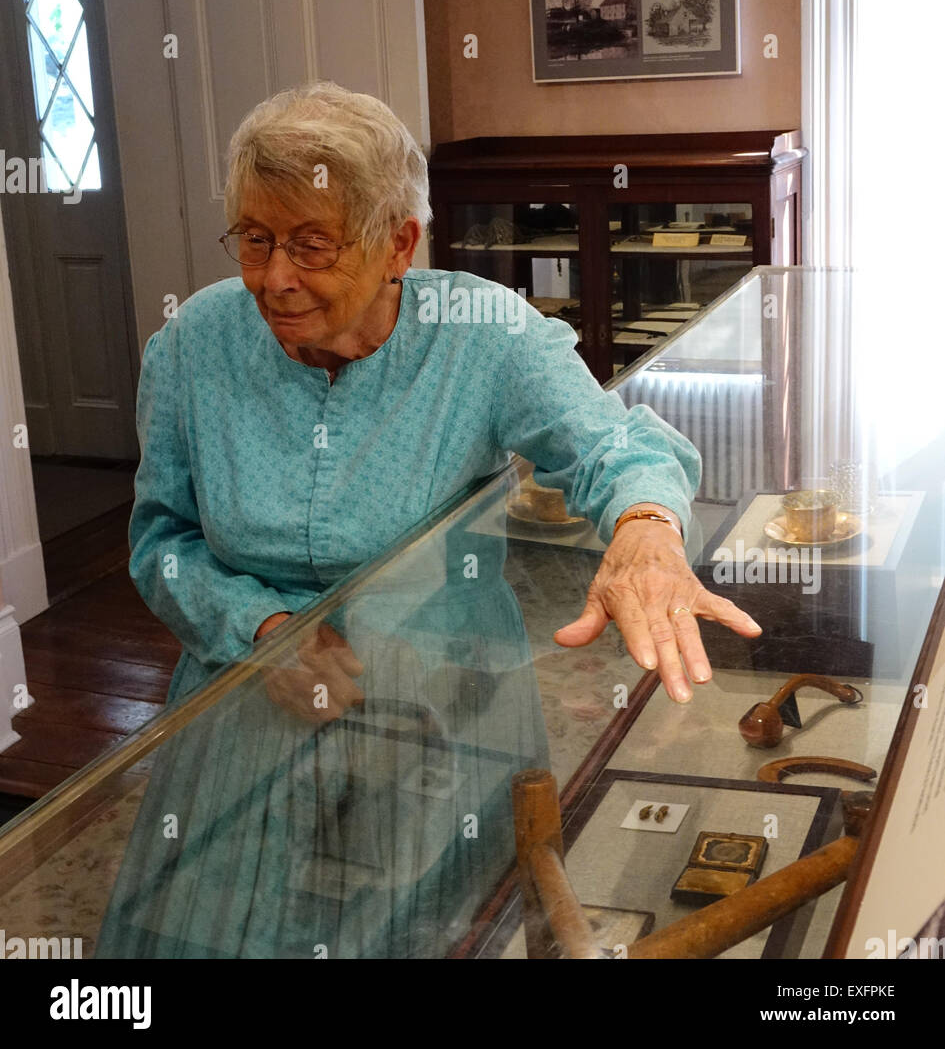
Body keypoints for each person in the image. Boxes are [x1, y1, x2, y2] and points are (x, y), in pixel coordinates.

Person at [95, 81, 761, 958]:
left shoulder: (480, 333)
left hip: (442, 698)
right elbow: (162, 543)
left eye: (311, 244)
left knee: (429, 932)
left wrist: (643, 530)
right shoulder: (193, 344)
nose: (273, 278)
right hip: (254, 690)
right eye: (254, 240)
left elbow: (612, 446)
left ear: (397, 244)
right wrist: (263, 630)